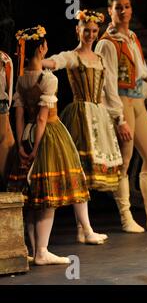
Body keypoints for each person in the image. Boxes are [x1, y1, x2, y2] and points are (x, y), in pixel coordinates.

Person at [8, 26, 90, 265]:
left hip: (28, 133)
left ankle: (35, 250)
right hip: (48, 135)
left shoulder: (22, 79)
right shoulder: (48, 79)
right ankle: (42, 251)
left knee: (33, 196)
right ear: (42, 48)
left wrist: (24, 142)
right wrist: (35, 149)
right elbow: (43, 117)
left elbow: (20, 114)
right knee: (47, 195)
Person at [43, 10, 123, 244]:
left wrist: (119, 118)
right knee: (79, 173)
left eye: (94, 31)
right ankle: (85, 228)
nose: (90, 35)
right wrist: (39, 60)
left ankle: (83, 228)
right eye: (85, 30)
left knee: (86, 177)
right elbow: (55, 62)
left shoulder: (99, 59)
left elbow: (110, 90)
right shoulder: (73, 55)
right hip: (80, 116)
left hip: (98, 115)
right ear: (77, 30)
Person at [95, 0, 147, 233]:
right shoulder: (107, 43)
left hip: (138, 101)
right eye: (119, 8)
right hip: (122, 104)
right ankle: (126, 217)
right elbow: (106, 84)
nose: (124, 11)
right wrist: (119, 118)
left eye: (127, 7)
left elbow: (142, 70)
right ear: (111, 11)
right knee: (125, 161)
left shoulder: (132, 37)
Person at [0, 50, 14, 190]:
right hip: (2, 104)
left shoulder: (5, 58)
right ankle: (3, 186)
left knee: (8, 144)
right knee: (5, 143)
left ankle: (4, 185)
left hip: (3, 105)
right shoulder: (4, 59)